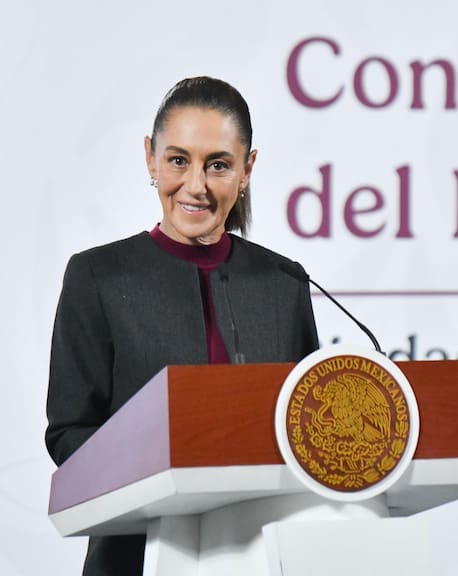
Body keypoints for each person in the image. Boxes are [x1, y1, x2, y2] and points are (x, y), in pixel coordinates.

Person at [45, 76, 319, 576]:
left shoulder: (284, 282)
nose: (196, 185)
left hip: (266, 554)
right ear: (150, 158)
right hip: (133, 554)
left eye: (218, 165)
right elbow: (68, 433)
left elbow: (307, 428)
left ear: (247, 169)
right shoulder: (98, 277)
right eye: (178, 160)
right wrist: (162, 465)